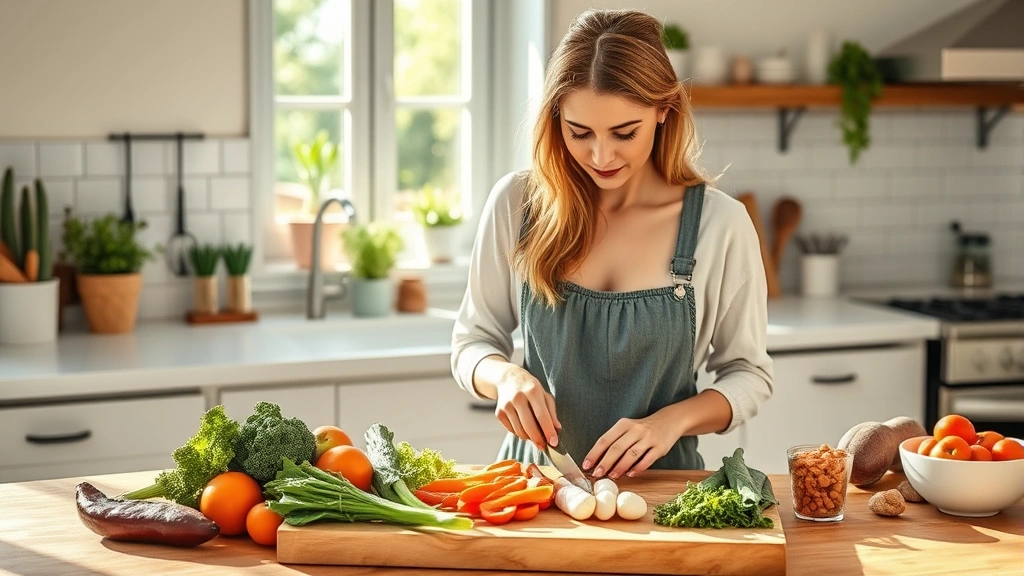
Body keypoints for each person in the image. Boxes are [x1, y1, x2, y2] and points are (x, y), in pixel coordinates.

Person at [451, 9, 773, 479]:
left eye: (625, 133)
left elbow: (750, 375)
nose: (601, 156)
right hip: (532, 490)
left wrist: (671, 422)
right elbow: (471, 342)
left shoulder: (720, 224)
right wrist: (504, 377)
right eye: (579, 132)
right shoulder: (518, 204)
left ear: (664, 111)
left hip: (665, 492)